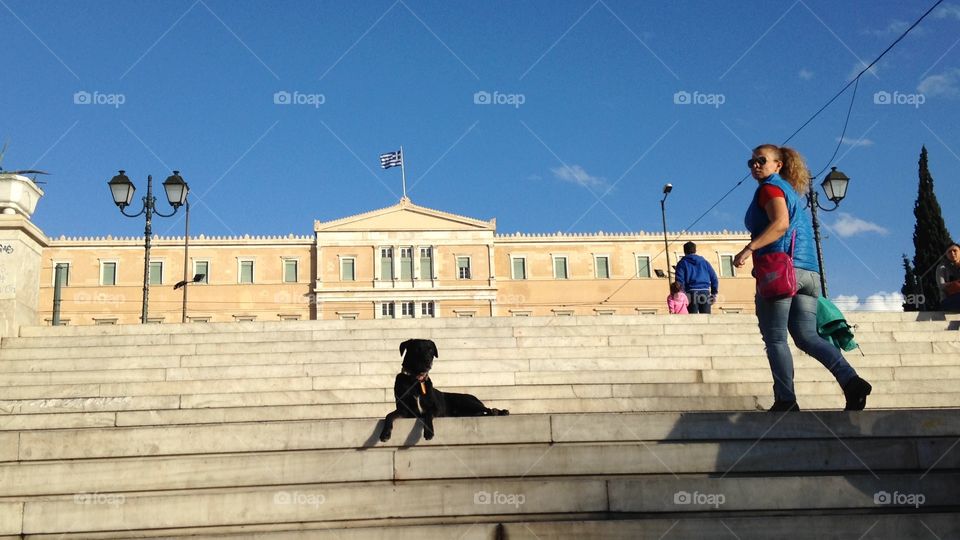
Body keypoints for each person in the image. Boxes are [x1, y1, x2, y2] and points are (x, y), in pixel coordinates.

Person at [733, 144, 872, 412]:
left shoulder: (769, 189)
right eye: (750, 162)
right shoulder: (792, 193)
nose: (755, 166)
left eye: (761, 160)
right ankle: (851, 380)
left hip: (781, 273)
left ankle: (786, 399)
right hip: (808, 273)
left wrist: (749, 249)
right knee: (807, 336)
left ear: (778, 165)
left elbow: (780, 224)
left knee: (775, 338)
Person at [674, 241, 719, 314]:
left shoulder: (682, 263)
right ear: (695, 250)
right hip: (705, 292)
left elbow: (679, 281)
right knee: (706, 319)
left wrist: (681, 294)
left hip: (690, 293)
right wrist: (714, 294)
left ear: (684, 251)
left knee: (692, 319)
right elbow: (714, 278)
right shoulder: (704, 262)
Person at [937, 242, 960, 312]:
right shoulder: (941, 267)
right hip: (948, 299)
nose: (952, 253)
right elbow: (941, 286)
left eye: (955, 251)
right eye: (949, 252)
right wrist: (955, 283)